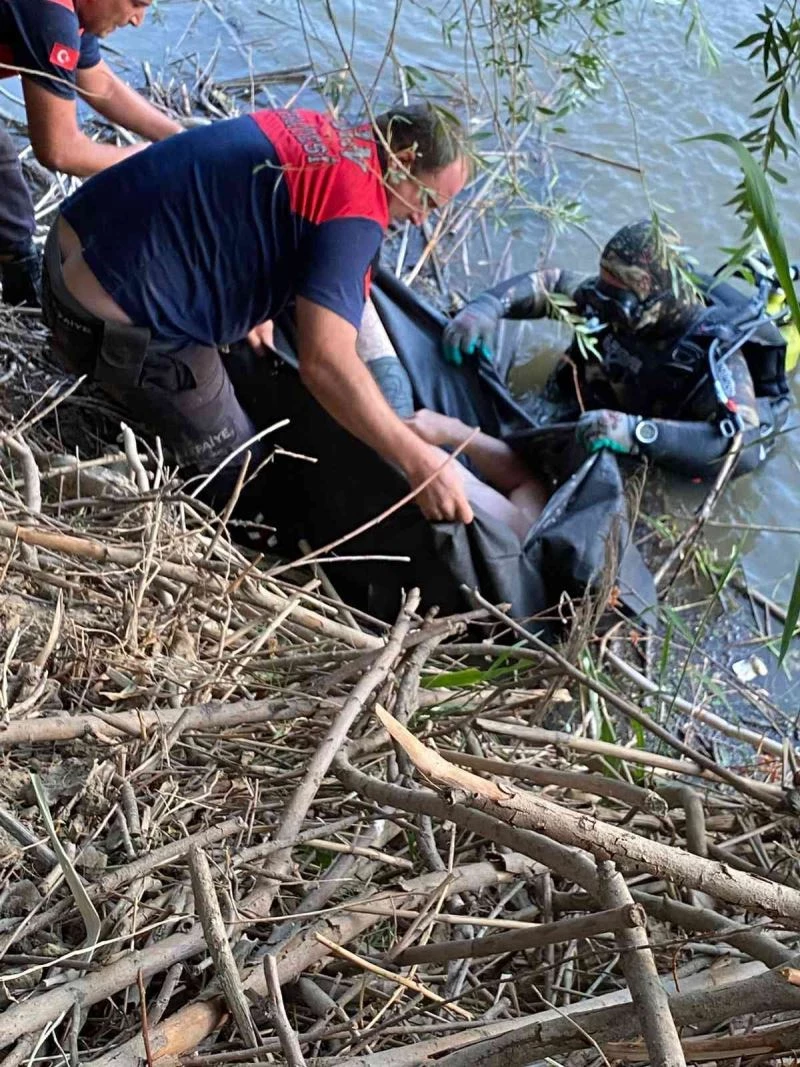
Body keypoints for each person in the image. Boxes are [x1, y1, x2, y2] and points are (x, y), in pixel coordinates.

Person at [42, 103, 475, 523]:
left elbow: (236, 208)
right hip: (94, 325)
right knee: (245, 476)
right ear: (402, 161)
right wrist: (418, 461)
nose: (421, 220)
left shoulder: (314, 126)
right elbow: (325, 364)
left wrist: (254, 298)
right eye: (428, 202)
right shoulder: (355, 209)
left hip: (58, 260)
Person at [441, 219, 792, 480]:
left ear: (656, 294)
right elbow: (551, 283)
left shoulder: (713, 354)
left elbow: (740, 448)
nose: (603, 301)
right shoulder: (609, 297)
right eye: (603, 284)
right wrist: (485, 307)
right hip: (592, 412)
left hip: (649, 449)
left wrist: (638, 434)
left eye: (618, 294)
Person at [0, 0, 182, 308]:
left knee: (11, 213)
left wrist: (177, 137)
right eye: (136, 4)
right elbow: (59, 150)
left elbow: (101, 84)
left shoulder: (72, 12)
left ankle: (21, 283)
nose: (137, 20)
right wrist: (148, 160)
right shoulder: (49, 14)